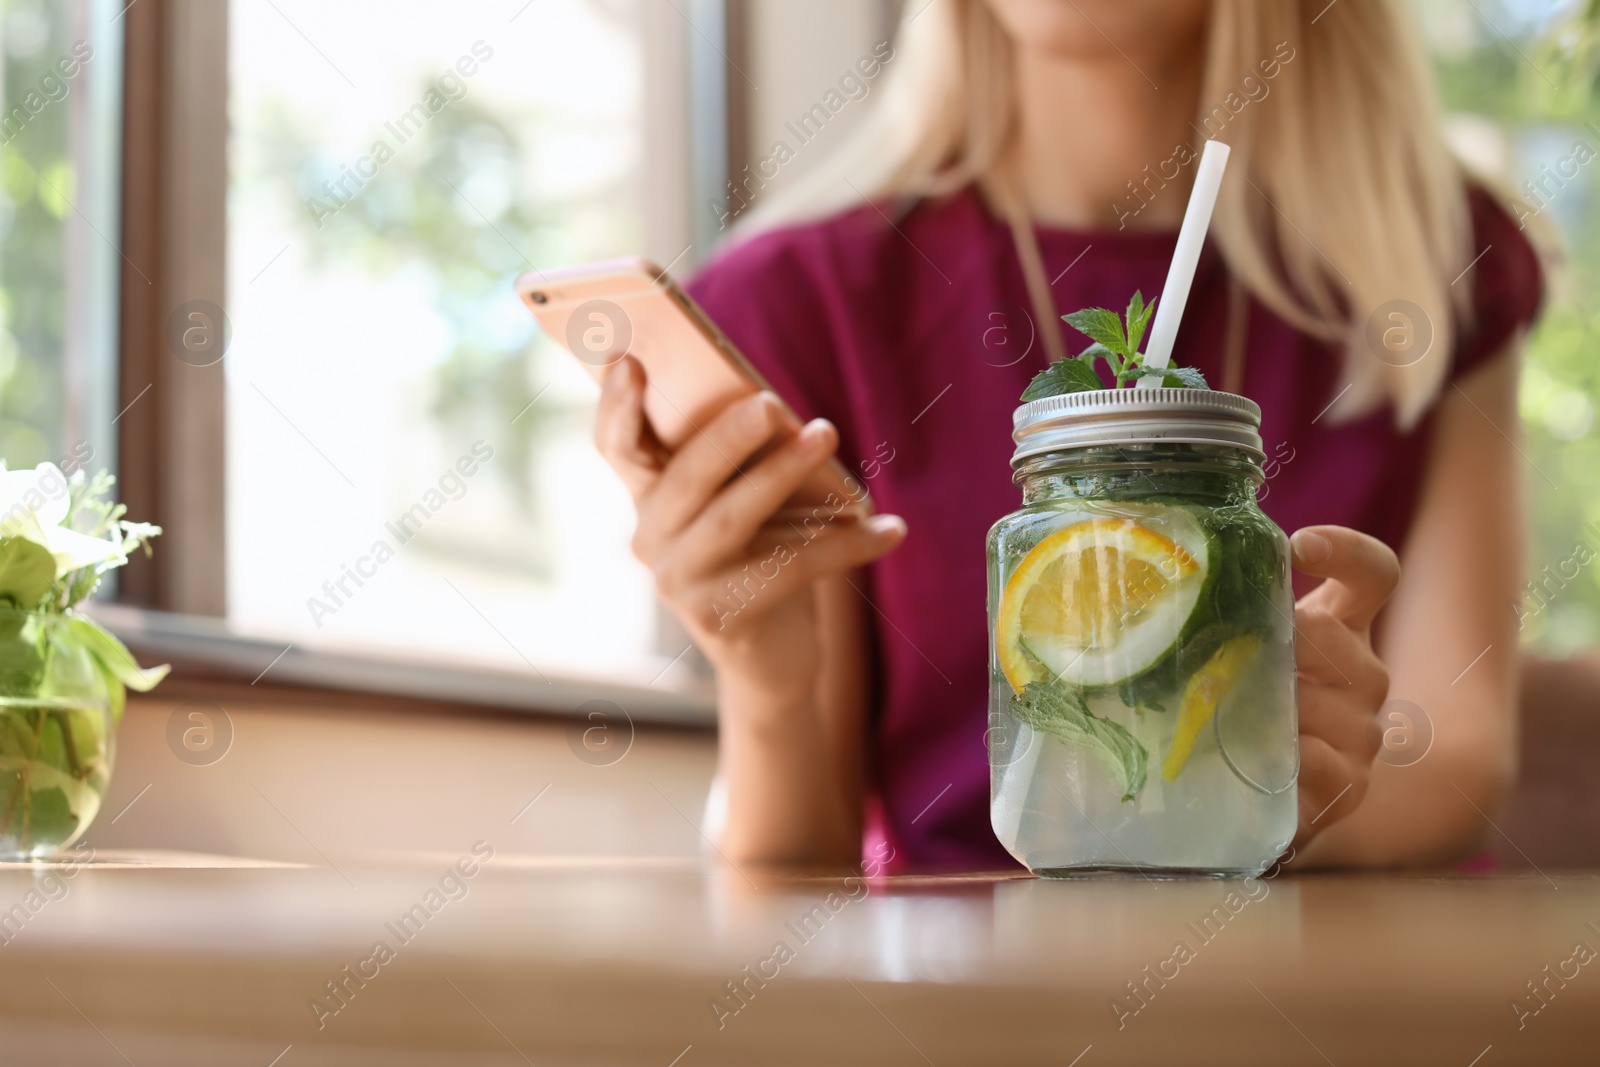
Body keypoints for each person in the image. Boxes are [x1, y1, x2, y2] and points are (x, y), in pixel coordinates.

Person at [594, 0, 1542, 872]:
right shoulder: (796, 301)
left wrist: (1277, 807)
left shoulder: (1431, 258)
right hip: (981, 998)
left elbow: (1457, 757)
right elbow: (801, 859)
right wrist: (766, 685)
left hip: (1343, 984)